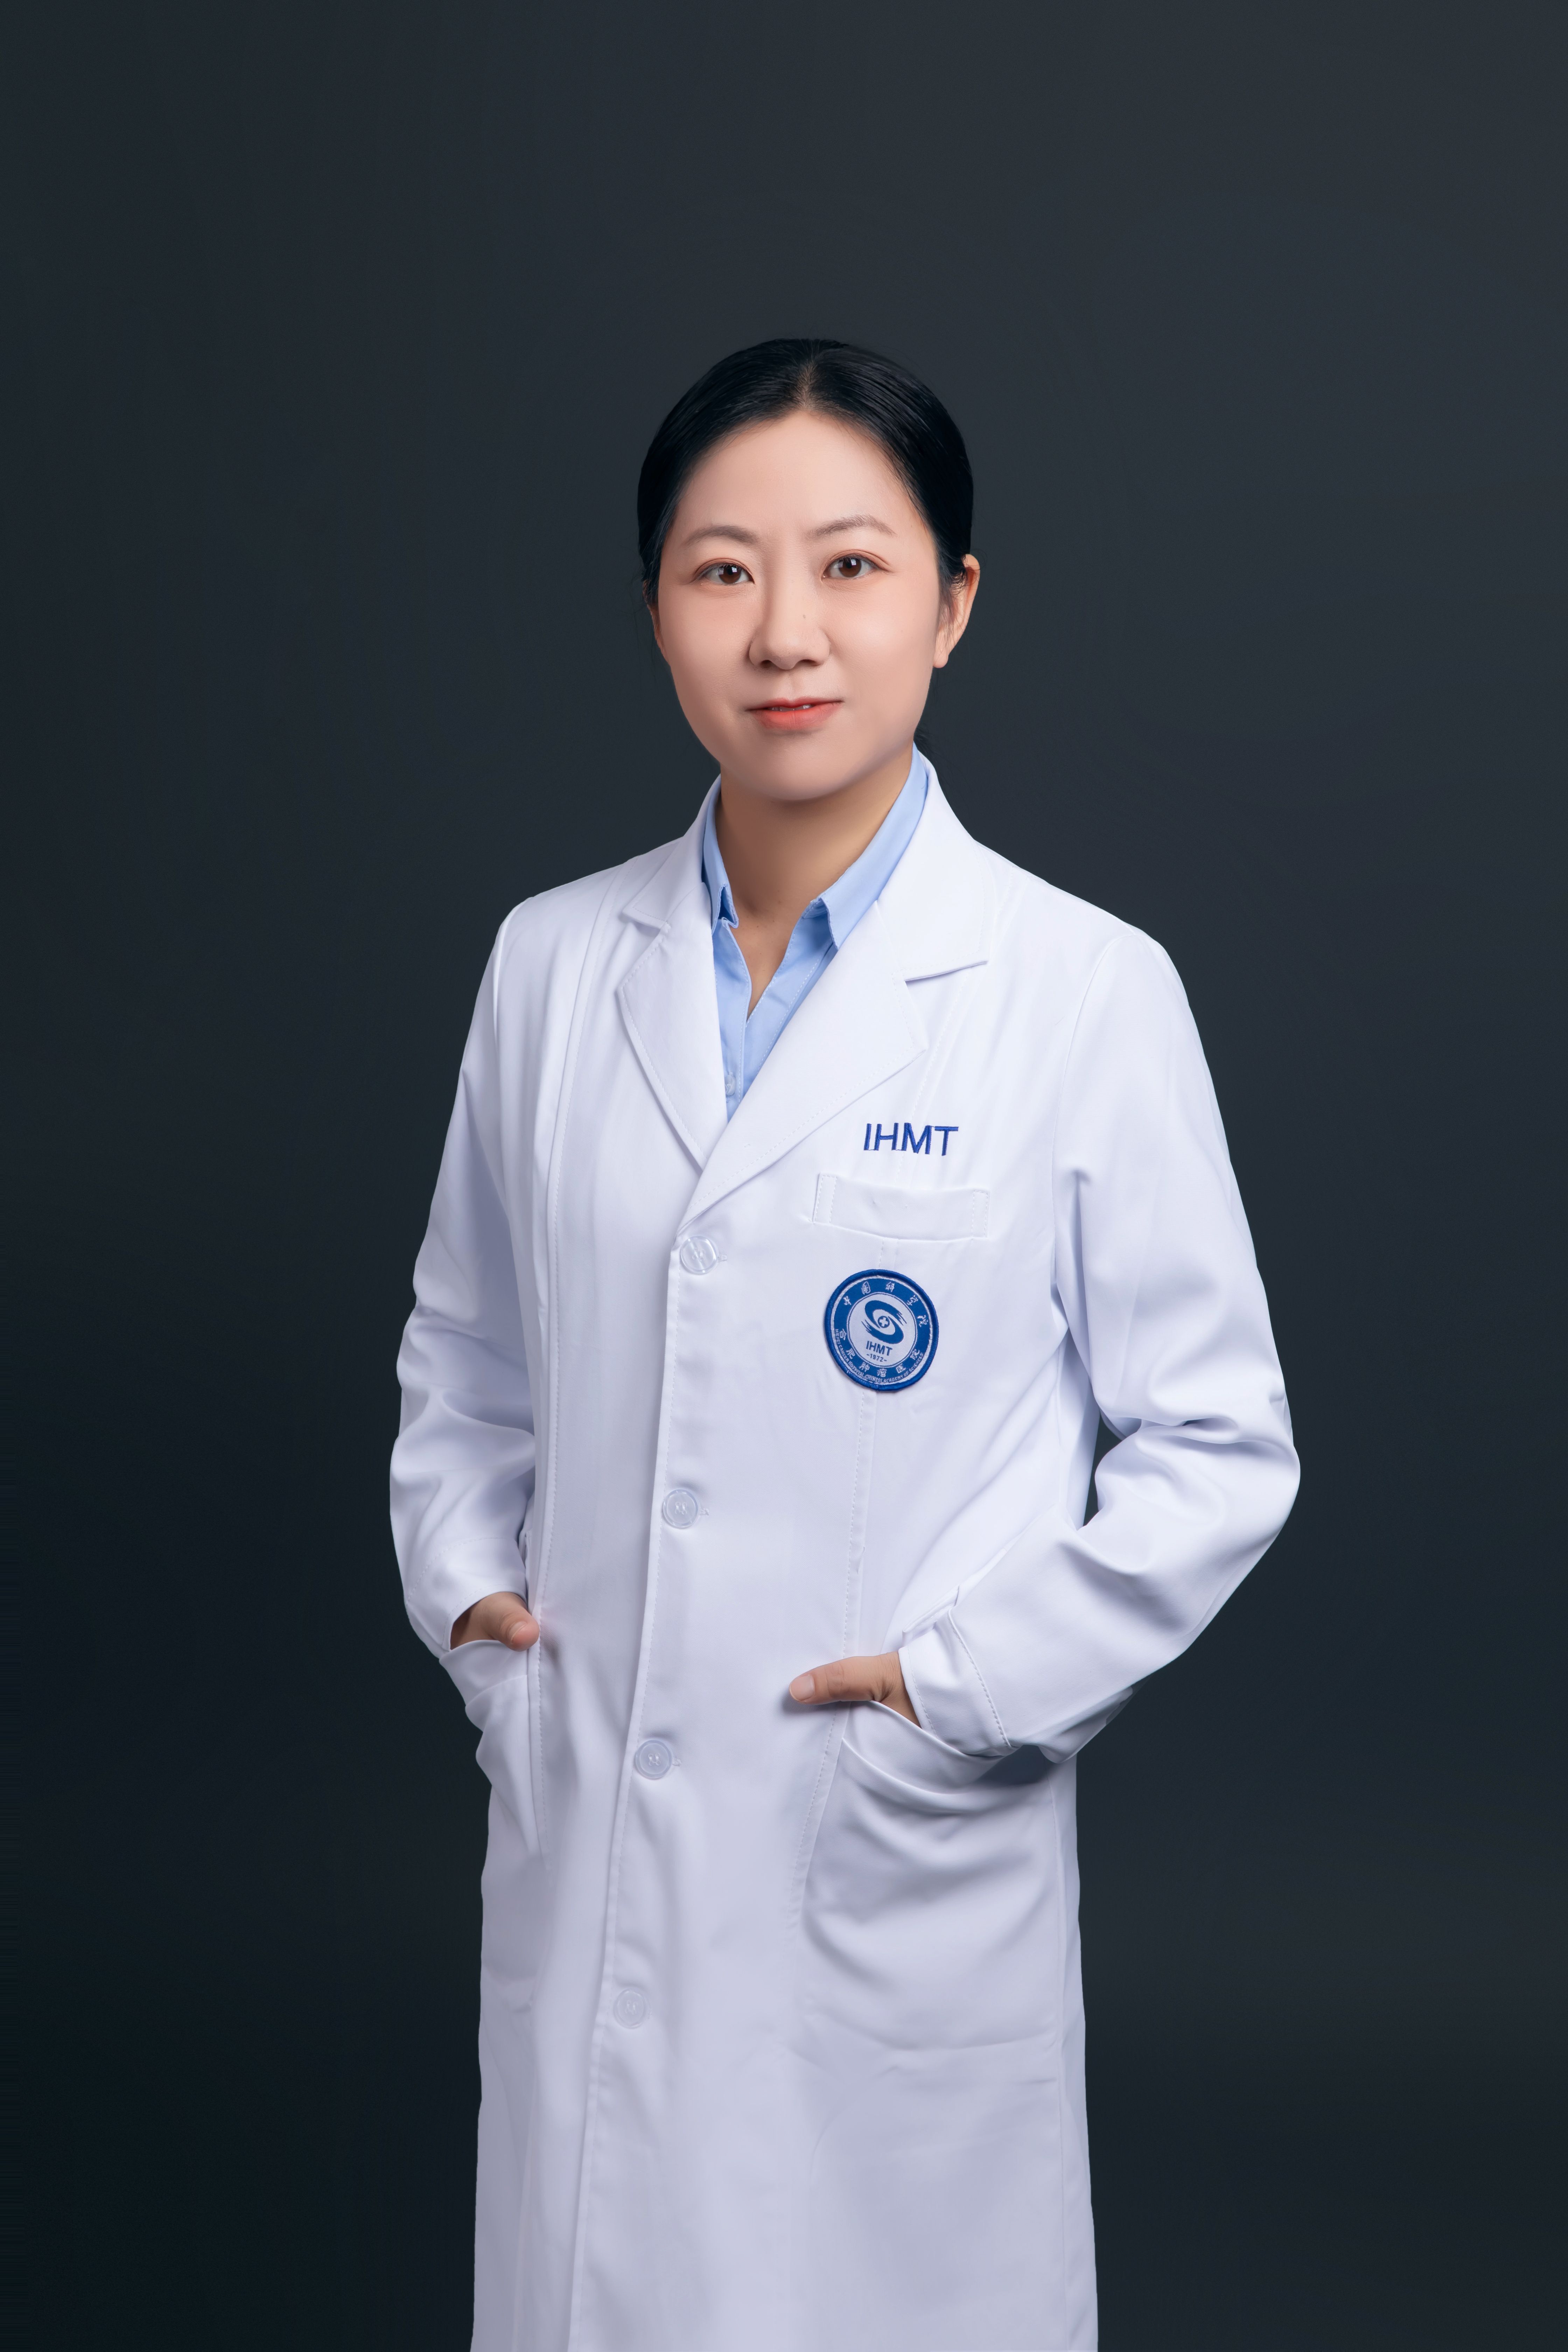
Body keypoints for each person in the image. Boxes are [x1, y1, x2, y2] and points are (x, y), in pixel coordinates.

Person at [390, 337, 1298, 2352]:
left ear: (953, 604)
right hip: (596, 1826)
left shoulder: (1080, 990)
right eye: (722, 571)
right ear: (655, 610)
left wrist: (957, 1696)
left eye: (852, 567)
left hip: (884, 1843)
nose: (784, 632)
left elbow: (1220, 1445)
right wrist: (475, 1613)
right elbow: (465, 1360)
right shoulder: (552, 965)